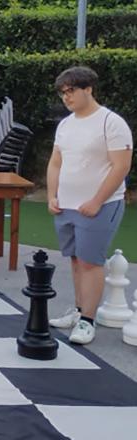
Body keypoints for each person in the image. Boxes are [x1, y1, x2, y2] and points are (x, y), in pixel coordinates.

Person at [46, 66, 133, 345]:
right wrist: (52, 195)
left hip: (101, 205)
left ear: (88, 89)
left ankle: (87, 321)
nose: (66, 97)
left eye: (71, 91)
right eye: (62, 93)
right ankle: (80, 310)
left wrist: (96, 201)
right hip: (66, 206)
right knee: (75, 260)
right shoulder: (65, 125)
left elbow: (121, 166)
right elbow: (56, 162)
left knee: (90, 261)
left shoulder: (111, 122)